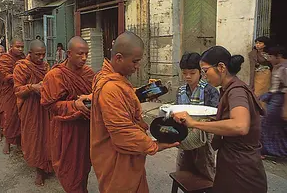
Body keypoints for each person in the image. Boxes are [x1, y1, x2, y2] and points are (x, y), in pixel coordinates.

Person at [90, 32, 179, 193]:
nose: (137, 66)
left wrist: (146, 92)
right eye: (135, 61)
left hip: (127, 157)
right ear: (118, 58)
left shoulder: (111, 78)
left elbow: (126, 96)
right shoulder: (110, 87)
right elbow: (122, 133)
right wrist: (154, 145)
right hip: (116, 161)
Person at [173, 46, 267, 193]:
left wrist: (195, 123)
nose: (204, 76)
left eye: (205, 71)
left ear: (221, 67)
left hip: (242, 169)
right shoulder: (227, 90)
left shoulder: (237, 91)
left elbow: (240, 126)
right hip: (231, 162)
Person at [41, 36, 94, 193]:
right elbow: (48, 104)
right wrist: (73, 105)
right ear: (69, 53)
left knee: (84, 166)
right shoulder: (54, 75)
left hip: (86, 127)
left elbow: (98, 95)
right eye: (80, 54)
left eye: (86, 54)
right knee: (69, 169)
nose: (84, 58)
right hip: (66, 129)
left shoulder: (89, 73)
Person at [14, 40, 53, 186]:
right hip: (30, 108)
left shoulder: (46, 66)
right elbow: (17, 90)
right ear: (30, 53)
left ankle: (48, 164)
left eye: (43, 54)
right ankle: (39, 170)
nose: (41, 58)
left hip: (45, 106)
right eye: (38, 55)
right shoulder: (22, 67)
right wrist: (32, 87)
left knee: (48, 136)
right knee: (35, 137)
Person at [175, 52, 219, 181]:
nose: (188, 76)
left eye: (192, 73)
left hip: (204, 138)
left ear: (201, 72)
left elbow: (215, 115)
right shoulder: (180, 91)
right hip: (184, 136)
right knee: (183, 171)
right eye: (184, 73)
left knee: (206, 171)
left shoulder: (210, 90)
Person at [0, 38, 25, 154]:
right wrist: (20, 76)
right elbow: (6, 75)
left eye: (22, 47)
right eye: (17, 47)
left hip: (22, 91)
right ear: (11, 46)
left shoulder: (23, 58)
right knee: (10, 116)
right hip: (10, 91)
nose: (20, 49)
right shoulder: (5, 58)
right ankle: (7, 142)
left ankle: (19, 141)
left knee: (21, 117)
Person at [261, 45, 287, 157]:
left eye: (271, 56)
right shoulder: (278, 66)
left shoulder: (284, 68)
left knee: (269, 124)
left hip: (280, 98)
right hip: (274, 96)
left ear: (279, 56)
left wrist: (285, 108)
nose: (269, 58)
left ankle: (277, 151)